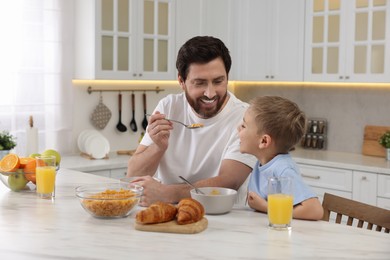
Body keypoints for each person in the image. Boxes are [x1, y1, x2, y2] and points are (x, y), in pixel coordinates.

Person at [126, 36, 256, 206]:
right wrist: (158, 147)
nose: (210, 93)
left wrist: (166, 193)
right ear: (181, 81)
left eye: (218, 81)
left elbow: (229, 182)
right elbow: (133, 175)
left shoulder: (245, 117)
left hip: (223, 219)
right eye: (200, 83)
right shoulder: (169, 106)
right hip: (170, 215)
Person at [237, 96, 324, 220]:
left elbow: (315, 211)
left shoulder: (282, 169)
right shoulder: (263, 161)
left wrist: (266, 207)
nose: (238, 128)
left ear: (264, 141)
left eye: (244, 126)